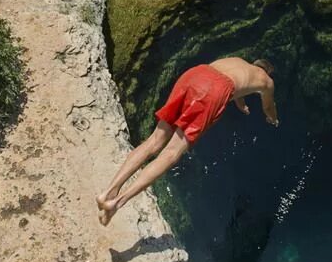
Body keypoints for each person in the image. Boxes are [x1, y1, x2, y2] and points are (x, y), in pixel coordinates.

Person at [96, 57, 278, 225]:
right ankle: (117, 203)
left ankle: (109, 191)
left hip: (196, 74)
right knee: (171, 153)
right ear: (266, 72)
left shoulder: (238, 61)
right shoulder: (267, 82)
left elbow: (236, 85)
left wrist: (241, 104)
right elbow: (268, 106)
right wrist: (273, 119)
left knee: (154, 140)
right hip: (215, 90)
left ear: (254, 63)